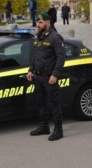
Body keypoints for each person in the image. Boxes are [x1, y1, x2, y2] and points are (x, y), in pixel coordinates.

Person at [27, 12, 66, 141]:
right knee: (41, 103)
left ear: (48, 22)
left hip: (49, 78)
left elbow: (61, 58)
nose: (38, 24)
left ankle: (58, 130)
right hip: (38, 77)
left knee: (54, 104)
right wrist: (30, 70)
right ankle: (44, 126)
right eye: (38, 22)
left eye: (41, 22)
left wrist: (55, 75)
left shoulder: (55, 37)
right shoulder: (39, 37)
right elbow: (35, 56)